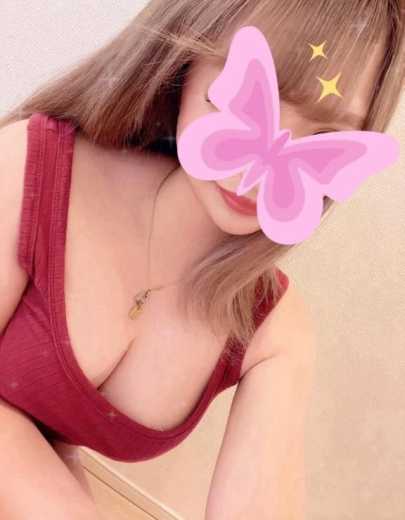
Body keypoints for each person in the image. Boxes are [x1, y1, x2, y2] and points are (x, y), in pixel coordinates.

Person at [0, 1, 404, 518]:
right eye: (249, 98)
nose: (258, 171)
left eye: (326, 138)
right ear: (185, 59)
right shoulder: (36, 166)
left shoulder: (271, 329)